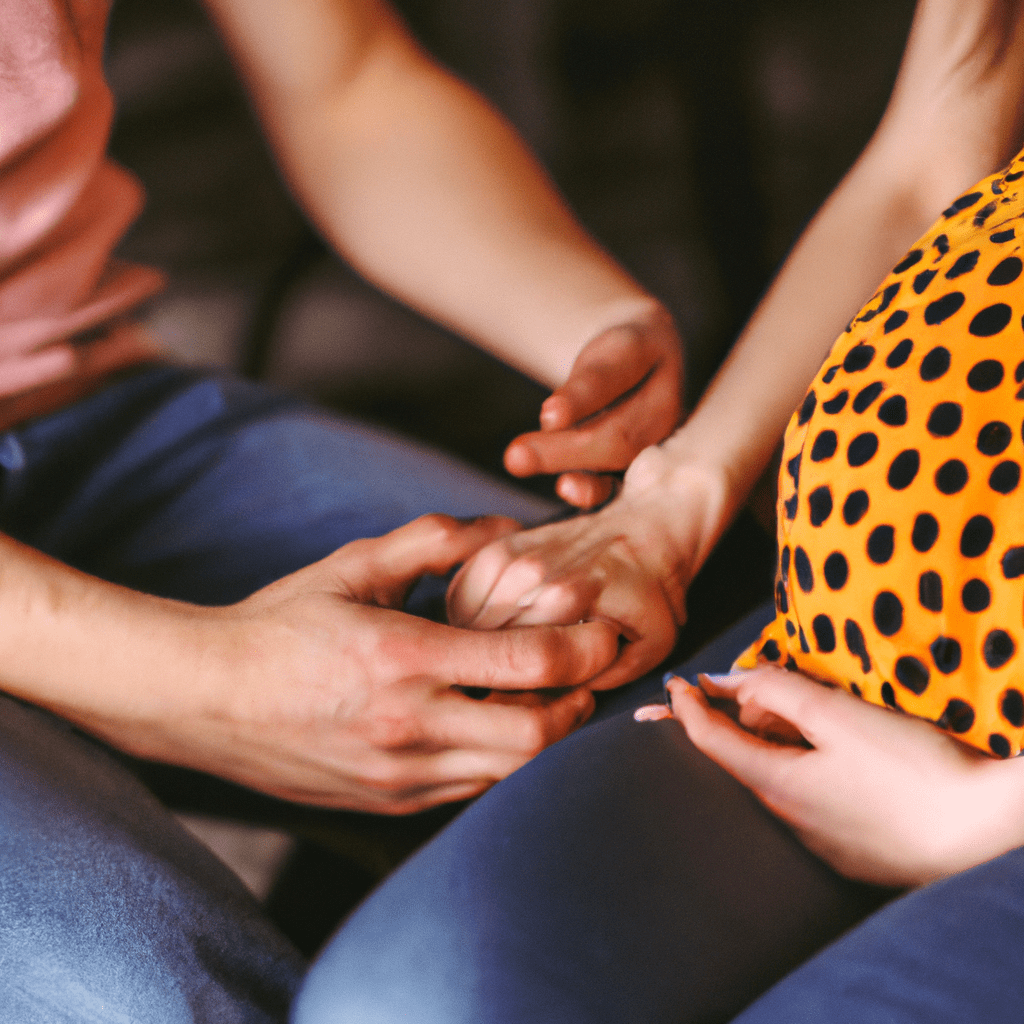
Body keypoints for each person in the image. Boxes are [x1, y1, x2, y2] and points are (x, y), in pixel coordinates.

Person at [292, 1, 1024, 1020]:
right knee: (410, 1002)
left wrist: (978, 816)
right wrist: (672, 500)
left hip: (992, 779)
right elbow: (938, 140)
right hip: (842, 637)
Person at [0, 0, 687, 1017]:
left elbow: (348, 81)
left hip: (81, 411)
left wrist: (596, 323)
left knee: (672, 722)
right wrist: (201, 689)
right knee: (173, 997)